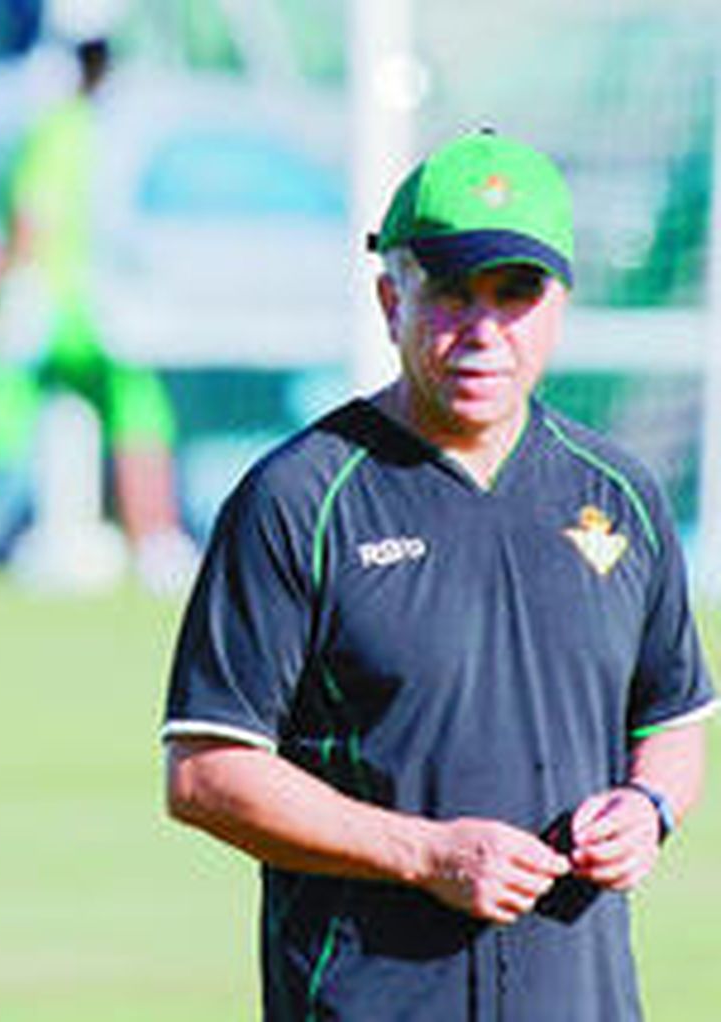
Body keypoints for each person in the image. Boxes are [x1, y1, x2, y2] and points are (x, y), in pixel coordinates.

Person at [161, 131, 715, 1019]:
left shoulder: (624, 495)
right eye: (451, 294)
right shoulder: (298, 499)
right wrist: (427, 854)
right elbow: (205, 772)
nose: (483, 332)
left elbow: (675, 719)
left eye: (515, 294)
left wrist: (649, 808)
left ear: (560, 303)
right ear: (391, 299)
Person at [0, 37, 197, 595]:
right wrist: (20, 281)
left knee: (130, 419)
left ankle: (157, 546)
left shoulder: (69, 131)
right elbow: (38, 214)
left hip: (79, 305)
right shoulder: (71, 131)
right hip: (68, 306)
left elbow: (44, 215)